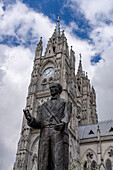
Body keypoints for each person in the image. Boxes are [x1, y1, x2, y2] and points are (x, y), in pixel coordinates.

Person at [23, 83, 72, 170]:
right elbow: (39, 122)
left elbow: (66, 116)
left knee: (57, 160)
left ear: (59, 90)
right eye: (50, 88)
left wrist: (63, 123)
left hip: (57, 132)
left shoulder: (66, 103)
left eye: (54, 87)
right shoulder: (43, 106)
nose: (51, 89)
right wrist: (30, 119)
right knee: (43, 161)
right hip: (45, 134)